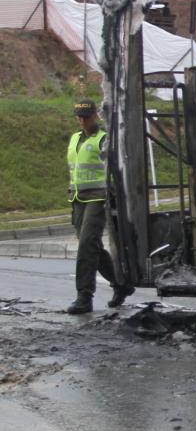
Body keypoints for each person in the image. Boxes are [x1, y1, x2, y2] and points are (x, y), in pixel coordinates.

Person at [65, 100, 132, 314]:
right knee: (93, 246)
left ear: (96, 115)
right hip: (77, 199)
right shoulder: (75, 138)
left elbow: (116, 170)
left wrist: (116, 196)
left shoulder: (103, 139)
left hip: (97, 198)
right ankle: (121, 285)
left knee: (86, 245)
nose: (83, 120)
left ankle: (84, 296)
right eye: (79, 116)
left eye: (87, 115)